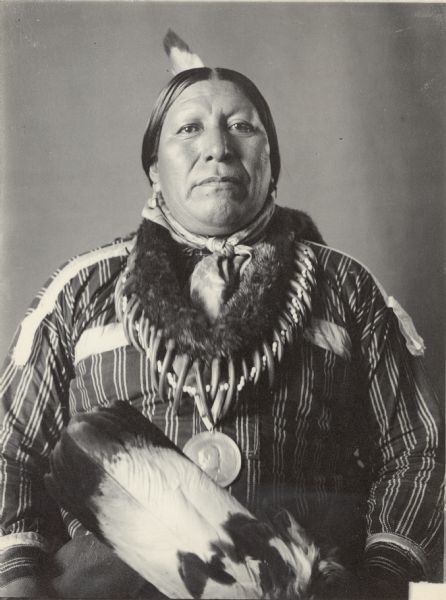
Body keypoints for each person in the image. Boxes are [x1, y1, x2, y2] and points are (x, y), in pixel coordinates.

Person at [0, 57, 443, 599]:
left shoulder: (345, 288)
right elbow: (10, 452)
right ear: (154, 170)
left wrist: (384, 579)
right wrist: (18, 582)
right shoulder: (79, 292)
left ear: (271, 163)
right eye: (189, 128)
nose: (218, 147)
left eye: (242, 126)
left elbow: (416, 448)